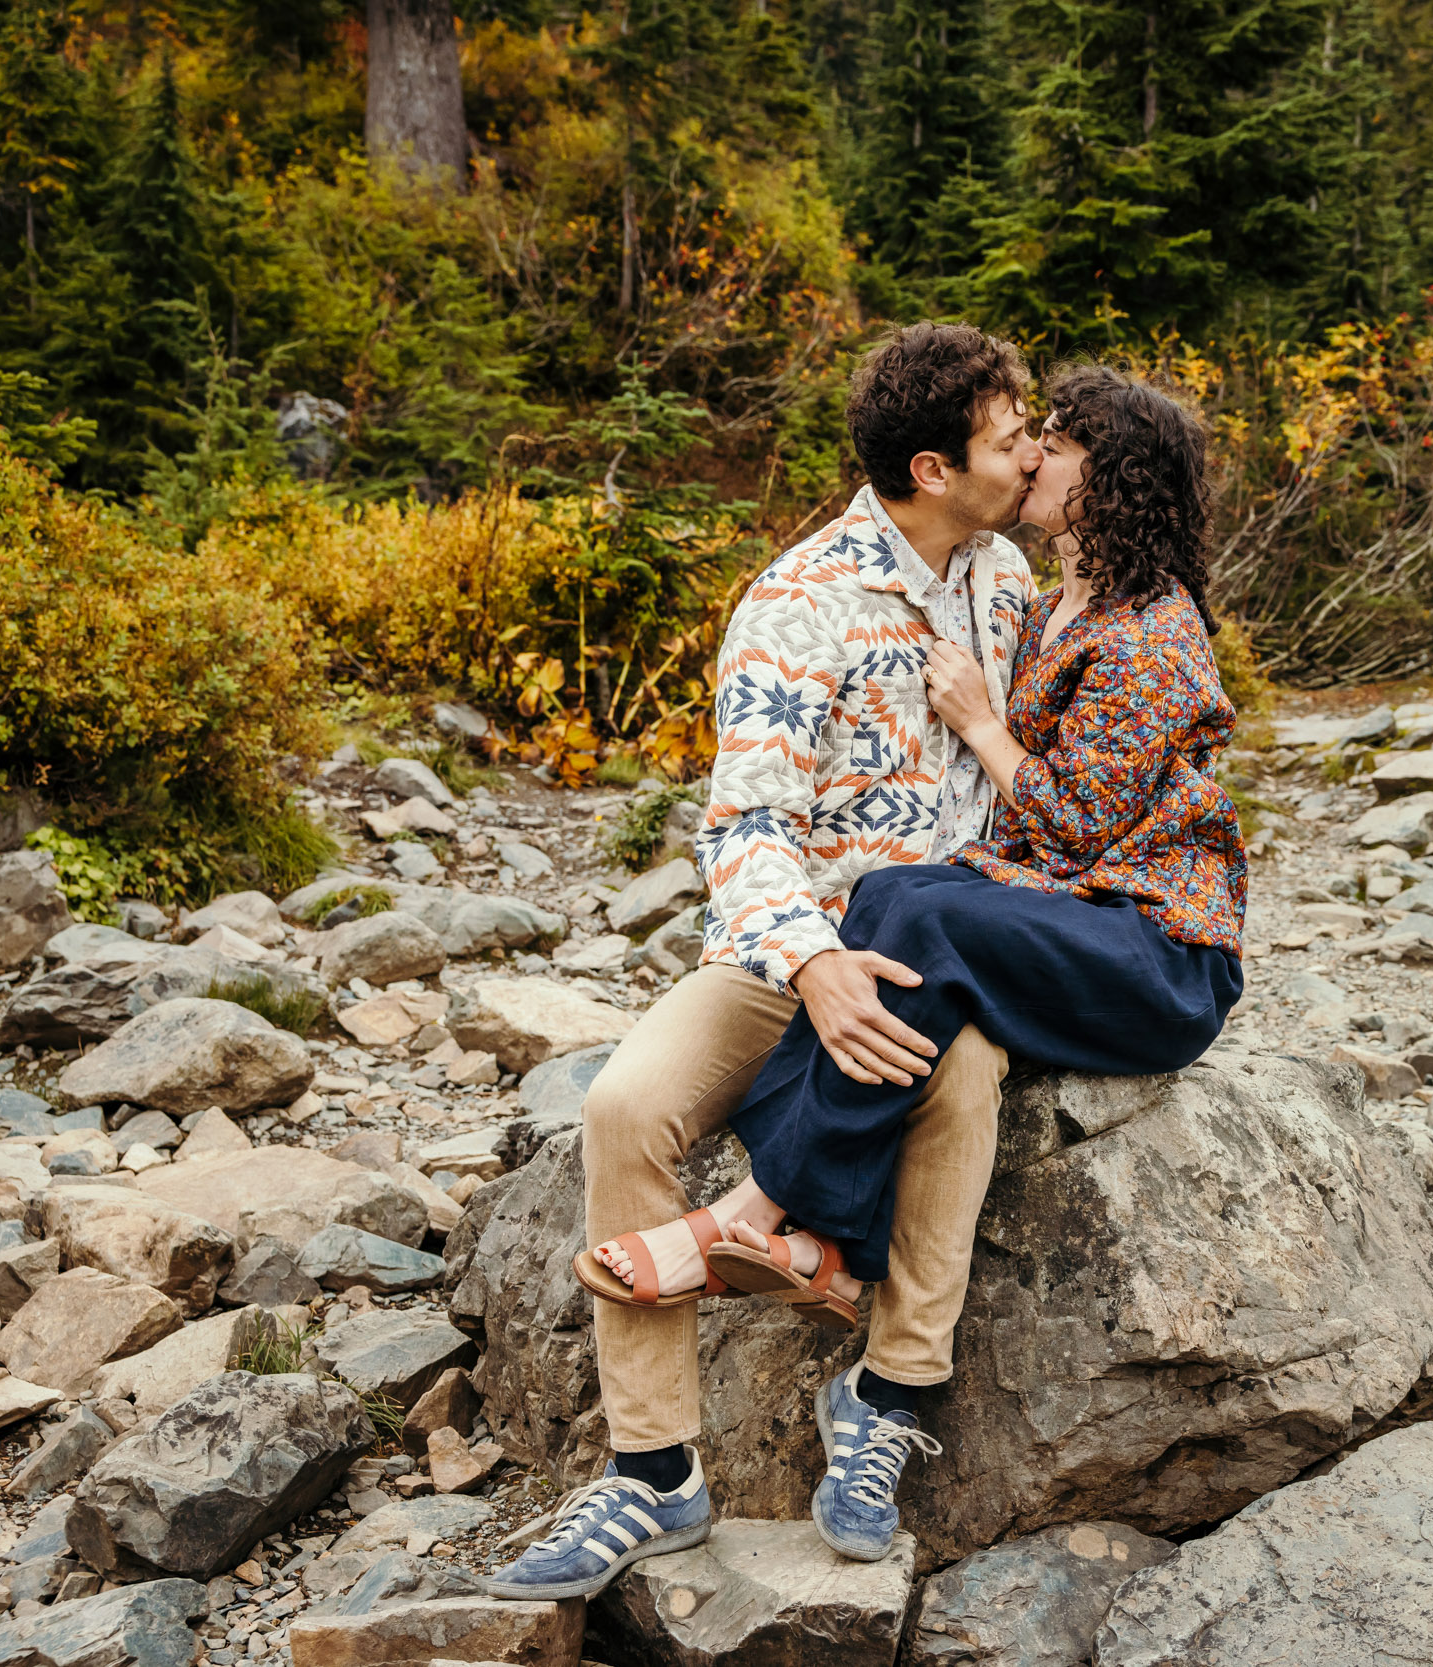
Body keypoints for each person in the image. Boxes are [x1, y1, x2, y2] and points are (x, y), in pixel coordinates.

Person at [484, 322, 1043, 1601]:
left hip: (941, 944)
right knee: (625, 1104)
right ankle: (652, 1471)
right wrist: (814, 968)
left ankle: (885, 1397)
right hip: (785, 946)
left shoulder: (1005, 578)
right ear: (930, 466)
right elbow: (742, 829)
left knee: (959, 1079)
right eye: (1007, 439)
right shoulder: (801, 601)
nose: (1025, 455)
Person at [703, 364, 1247, 1563]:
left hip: (1159, 955)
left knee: (924, 916)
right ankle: (836, 1288)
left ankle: (779, 1204)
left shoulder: (1153, 629)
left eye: (1053, 447)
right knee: (893, 895)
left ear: (1108, 481)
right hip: (1085, 923)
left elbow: (1082, 832)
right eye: (1024, 439)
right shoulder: (1058, 599)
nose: (1031, 460)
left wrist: (980, 724)